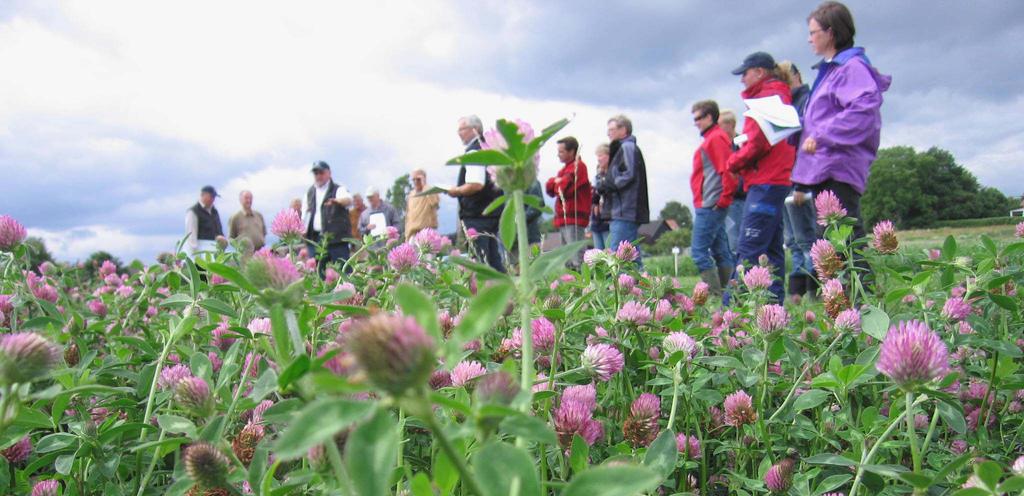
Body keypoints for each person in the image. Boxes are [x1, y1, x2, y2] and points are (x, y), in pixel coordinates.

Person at [793, 0, 892, 240]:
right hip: (825, 166)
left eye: (813, 33)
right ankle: (852, 280)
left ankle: (863, 281)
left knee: (843, 244)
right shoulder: (833, 70)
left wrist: (821, 134)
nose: (809, 39)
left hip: (838, 166)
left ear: (831, 33)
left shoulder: (851, 68)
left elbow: (863, 111)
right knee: (833, 245)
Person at [724, 52, 797, 303]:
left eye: (745, 73)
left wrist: (733, 161)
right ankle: (776, 308)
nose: (742, 79)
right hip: (776, 181)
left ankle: (729, 314)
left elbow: (757, 143)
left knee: (748, 252)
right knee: (773, 250)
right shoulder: (780, 96)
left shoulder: (766, 99)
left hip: (765, 182)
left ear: (760, 72)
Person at [778, 60, 818, 301]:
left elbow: (806, 146)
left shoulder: (807, 102)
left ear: (796, 75)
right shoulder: (787, 107)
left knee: (806, 240)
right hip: (787, 181)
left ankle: (814, 291)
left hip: (801, 181)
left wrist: (803, 183)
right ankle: (797, 292)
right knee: (792, 240)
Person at [448, 115, 506, 272]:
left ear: (475, 129)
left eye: (462, 129)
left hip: (477, 215)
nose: (459, 133)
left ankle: (488, 293)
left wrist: (456, 190)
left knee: (480, 262)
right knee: (494, 261)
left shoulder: (474, 152)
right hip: (492, 213)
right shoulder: (489, 149)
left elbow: (476, 184)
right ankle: (509, 293)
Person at [690, 100, 736, 297]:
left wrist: (724, 199)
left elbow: (727, 170)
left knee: (699, 252)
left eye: (698, 118)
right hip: (710, 202)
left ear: (709, 117)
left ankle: (718, 296)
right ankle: (730, 295)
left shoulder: (715, 139)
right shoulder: (714, 138)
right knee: (720, 250)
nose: (696, 123)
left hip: (710, 204)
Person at [596, 114, 649, 265]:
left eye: (612, 129)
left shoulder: (627, 147)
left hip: (625, 209)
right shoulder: (625, 147)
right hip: (624, 209)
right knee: (632, 256)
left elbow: (628, 174)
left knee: (619, 256)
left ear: (623, 129)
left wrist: (607, 184)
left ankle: (625, 286)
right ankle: (643, 286)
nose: (609, 133)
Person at [545, 136, 592, 266]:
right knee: (567, 257)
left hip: (574, 217)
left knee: (576, 255)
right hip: (564, 219)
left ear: (572, 152)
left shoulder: (579, 167)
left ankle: (583, 284)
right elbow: (549, 187)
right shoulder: (564, 170)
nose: (558, 155)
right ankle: (573, 283)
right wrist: (556, 181)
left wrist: (556, 182)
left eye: (561, 151)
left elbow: (564, 190)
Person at [304, 161, 353, 275]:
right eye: (316, 173)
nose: (318, 176)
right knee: (317, 274)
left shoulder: (338, 189)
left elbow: (348, 200)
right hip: (315, 239)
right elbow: (305, 213)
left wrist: (338, 201)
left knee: (344, 271)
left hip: (337, 239)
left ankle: (349, 292)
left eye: (321, 172)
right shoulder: (310, 192)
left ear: (329, 173)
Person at [719, 110, 745, 254]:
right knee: (728, 240)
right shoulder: (721, 145)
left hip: (739, 197)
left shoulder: (741, 143)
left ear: (731, 124)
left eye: (720, 124)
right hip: (726, 199)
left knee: (736, 240)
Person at [185, 185, 227, 256]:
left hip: (215, 251)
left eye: (214, 197)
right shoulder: (193, 211)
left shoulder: (215, 212)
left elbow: (219, 230)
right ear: (203, 195)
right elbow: (191, 236)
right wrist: (195, 256)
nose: (213, 199)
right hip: (201, 251)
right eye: (211, 196)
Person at [405, 168, 440, 239]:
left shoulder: (430, 191)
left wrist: (424, 185)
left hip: (427, 232)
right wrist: (407, 235)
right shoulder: (411, 195)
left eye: (418, 179)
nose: (415, 181)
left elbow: (435, 203)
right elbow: (408, 216)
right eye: (413, 179)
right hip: (412, 233)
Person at [589, 144, 612, 249]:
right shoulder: (596, 184)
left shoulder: (610, 177)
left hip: (607, 220)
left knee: (609, 250)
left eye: (600, 156)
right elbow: (594, 199)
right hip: (596, 221)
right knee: (598, 251)